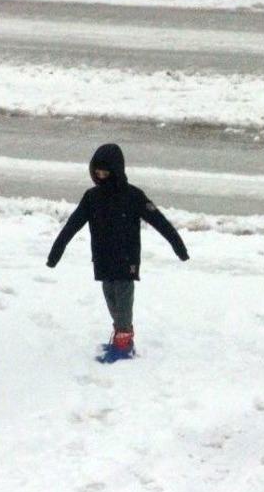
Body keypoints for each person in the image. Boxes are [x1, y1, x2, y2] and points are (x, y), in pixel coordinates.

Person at [46, 143, 189, 363]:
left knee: (123, 302)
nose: (101, 177)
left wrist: (179, 247)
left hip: (126, 260)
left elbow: (160, 222)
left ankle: (124, 344)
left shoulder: (133, 196)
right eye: (97, 173)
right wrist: (56, 253)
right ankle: (121, 335)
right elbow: (72, 226)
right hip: (103, 260)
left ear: (117, 171)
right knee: (111, 299)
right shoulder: (92, 197)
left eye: (106, 173)